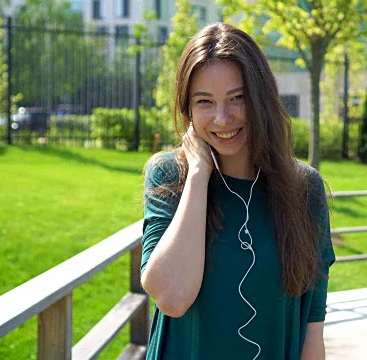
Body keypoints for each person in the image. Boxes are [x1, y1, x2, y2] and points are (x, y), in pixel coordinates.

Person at [141, 22, 335, 360]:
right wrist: (199, 175)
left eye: (237, 98)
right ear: (188, 110)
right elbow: (171, 298)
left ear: (261, 97)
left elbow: (312, 330)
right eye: (205, 101)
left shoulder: (305, 188)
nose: (222, 118)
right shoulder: (170, 175)